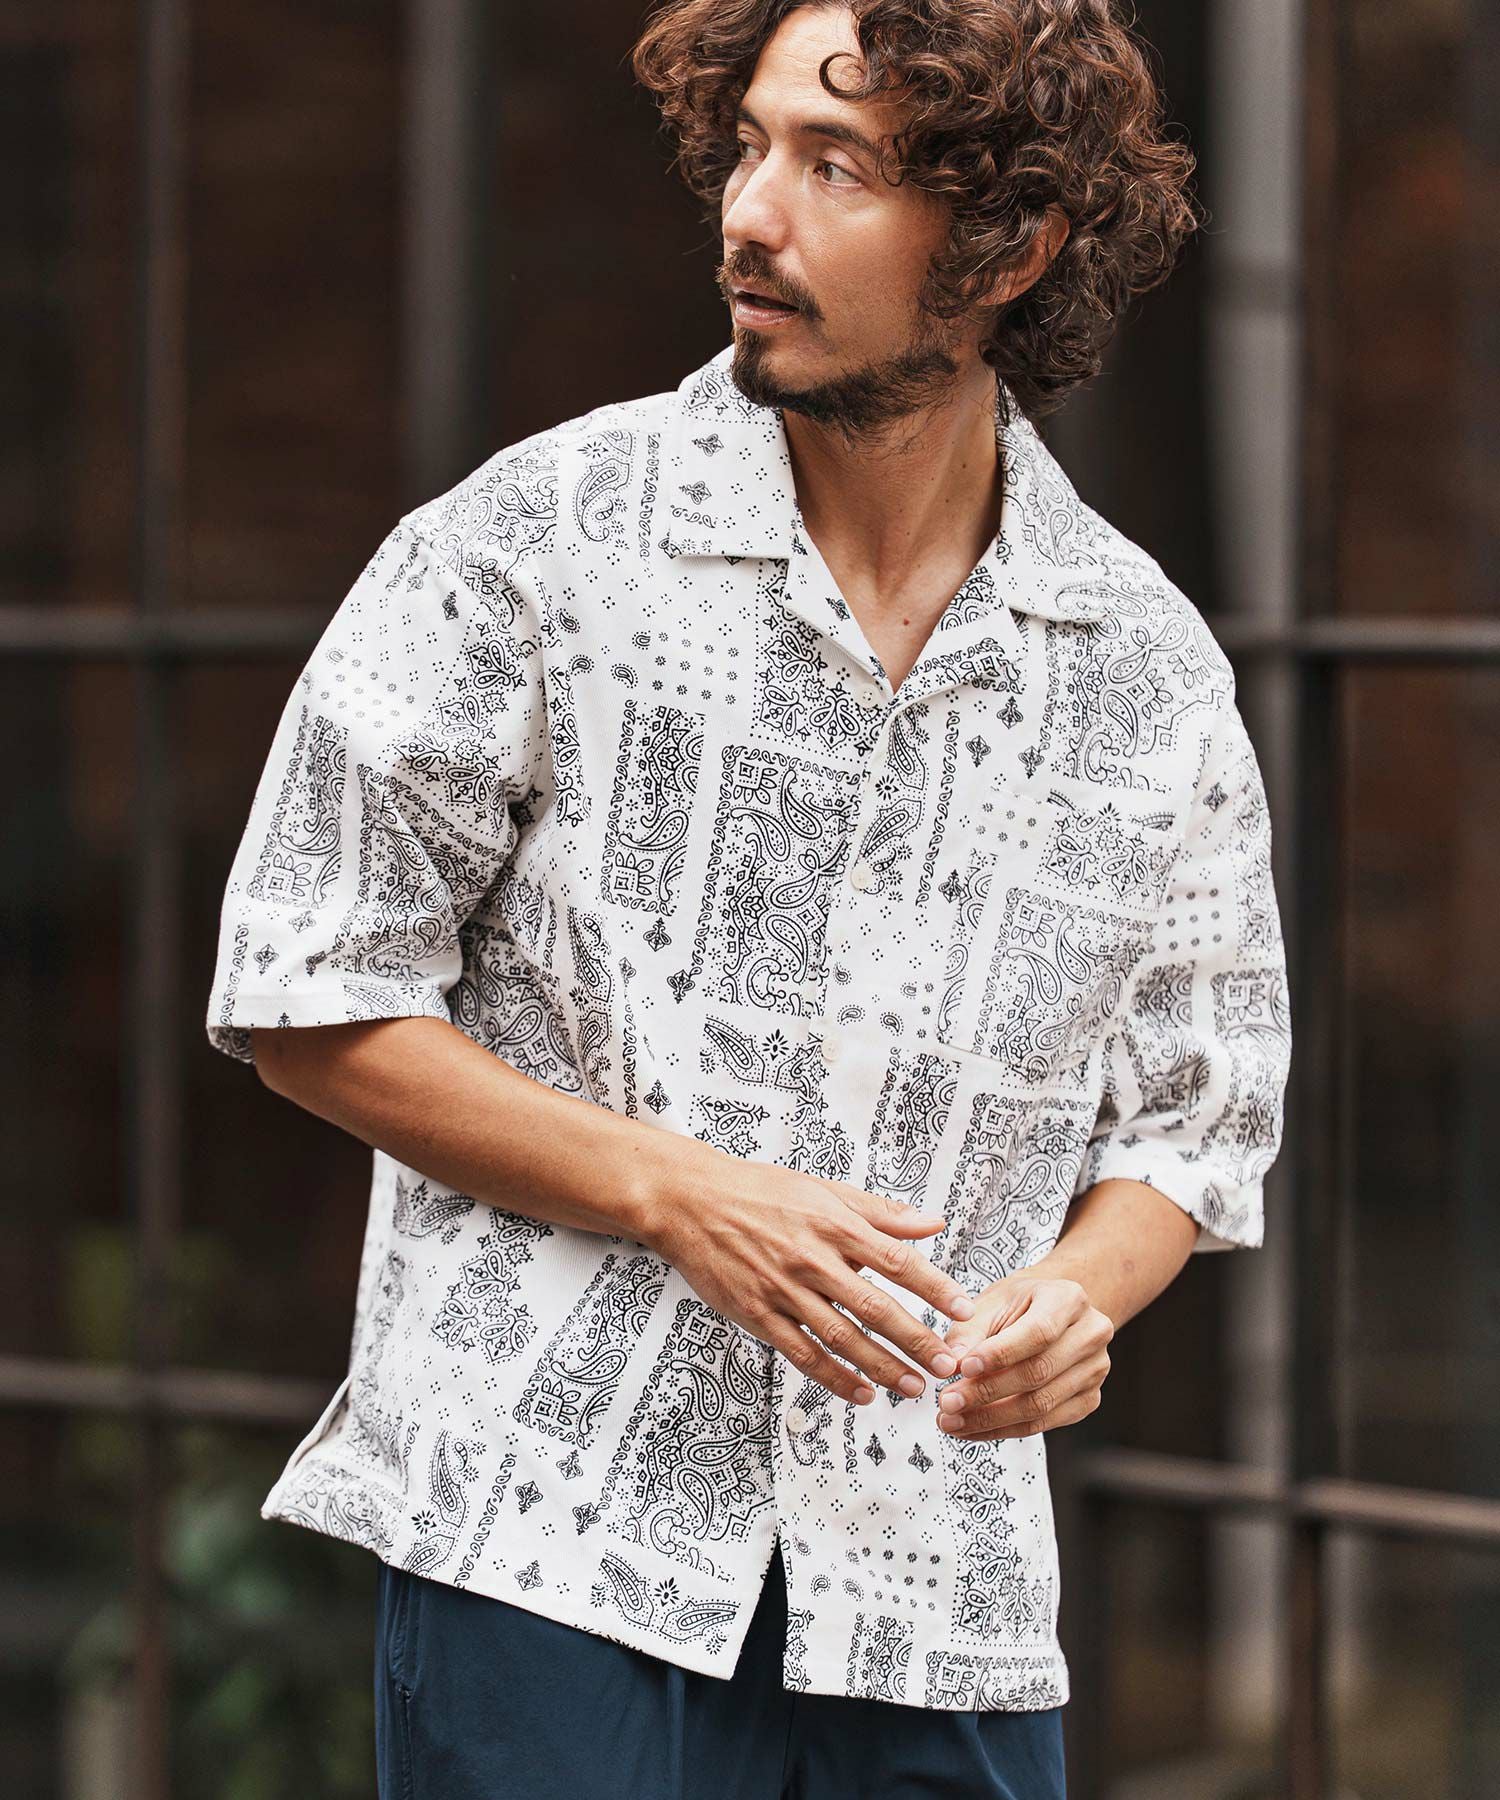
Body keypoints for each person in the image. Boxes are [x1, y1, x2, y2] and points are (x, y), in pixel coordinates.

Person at [204, 2, 1292, 1795]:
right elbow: (307, 991)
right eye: (754, 145)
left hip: (935, 1576)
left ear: (1011, 247)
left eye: (837, 167)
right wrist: (677, 1192)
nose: (750, 212)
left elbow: (1196, 1117)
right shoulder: (529, 546)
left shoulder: (1146, 669)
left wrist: (1080, 1298)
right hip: (548, 1537)